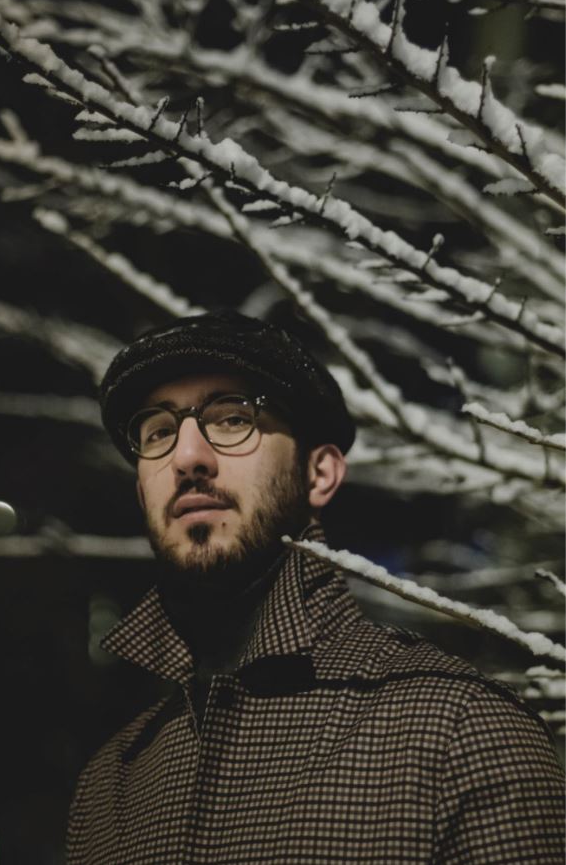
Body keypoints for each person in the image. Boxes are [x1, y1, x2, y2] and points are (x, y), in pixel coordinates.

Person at [67, 311, 565, 864]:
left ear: (320, 473)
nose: (187, 457)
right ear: (143, 493)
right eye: (158, 432)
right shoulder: (108, 785)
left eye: (232, 418)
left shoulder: (461, 733)